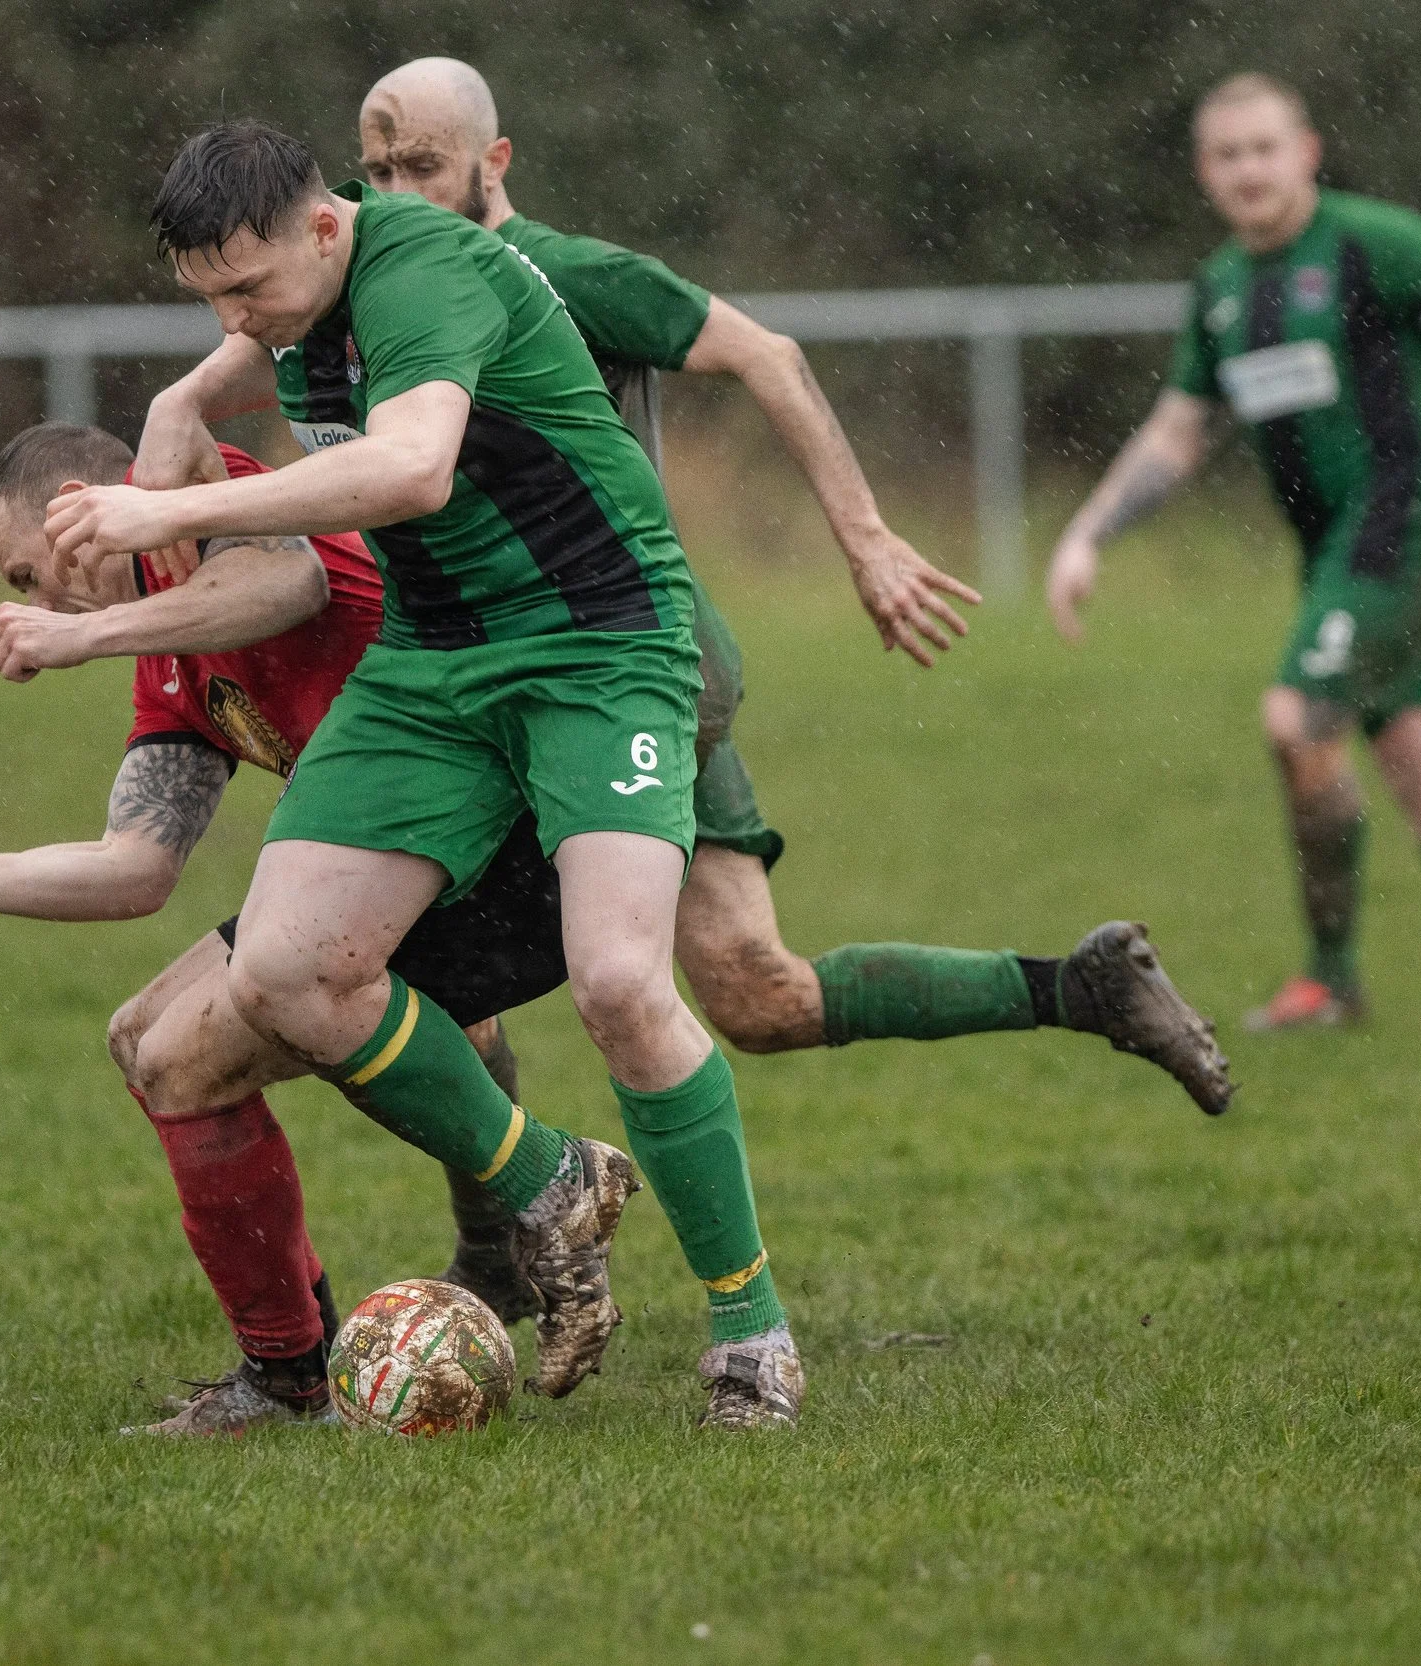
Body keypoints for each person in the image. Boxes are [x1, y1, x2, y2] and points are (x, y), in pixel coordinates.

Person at [305, 55, 1240, 1282]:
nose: (398, 193)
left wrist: (866, 539)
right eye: (375, 172)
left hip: (612, 670)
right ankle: (1080, 987)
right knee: (758, 993)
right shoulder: (373, 292)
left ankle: (508, 1250)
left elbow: (769, 352)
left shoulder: (562, 273)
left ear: (496, 163)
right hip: (574, 671)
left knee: (429, 952)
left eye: (422, 165)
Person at [47, 123, 800, 1426]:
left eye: (249, 287)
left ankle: (751, 1333)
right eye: (209, 296)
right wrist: (178, 403)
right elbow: (256, 348)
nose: (239, 318)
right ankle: (553, 1182)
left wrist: (165, 510)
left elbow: (410, 466)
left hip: (597, 641)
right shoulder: (293, 286)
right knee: (283, 969)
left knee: (624, 982)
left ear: (327, 227)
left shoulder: (426, 268)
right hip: (434, 659)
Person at [0, 422, 569, 1434]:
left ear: (83, 502)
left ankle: (317, 1354)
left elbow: (294, 588)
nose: (40, 604)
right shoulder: (172, 662)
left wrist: (82, 634)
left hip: (521, 847)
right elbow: (131, 869)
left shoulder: (231, 507)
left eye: (35, 571)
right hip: (409, 866)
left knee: (187, 1057)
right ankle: (493, 1253)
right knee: (145, 1036)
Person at [1046, 74, 1421, 1032]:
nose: (1249, 170)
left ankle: (1330, 981)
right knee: (1420, 763)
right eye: (1228, 155)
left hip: (1412, 529)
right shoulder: (1221, 288)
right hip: (1337, 558)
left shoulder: (1376, 243)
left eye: (1265, 148)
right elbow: (1179, 431)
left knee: (1299, 722)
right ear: (1204, 172)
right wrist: (1086, 533)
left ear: (1306, 150)